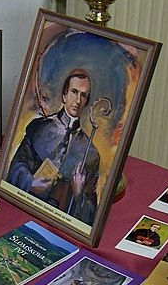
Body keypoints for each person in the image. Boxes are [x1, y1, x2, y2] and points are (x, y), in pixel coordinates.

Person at [7, 69, 99, 224]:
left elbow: (90, 216)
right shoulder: (39, 127)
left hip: (59, 223)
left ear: (86, 102)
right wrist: (31, 183)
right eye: (74, 92)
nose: (78, 100)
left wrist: (79, 195)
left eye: (83, 95)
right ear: (64, 95)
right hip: (26, 209)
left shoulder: (91, 152)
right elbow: (17, 166)